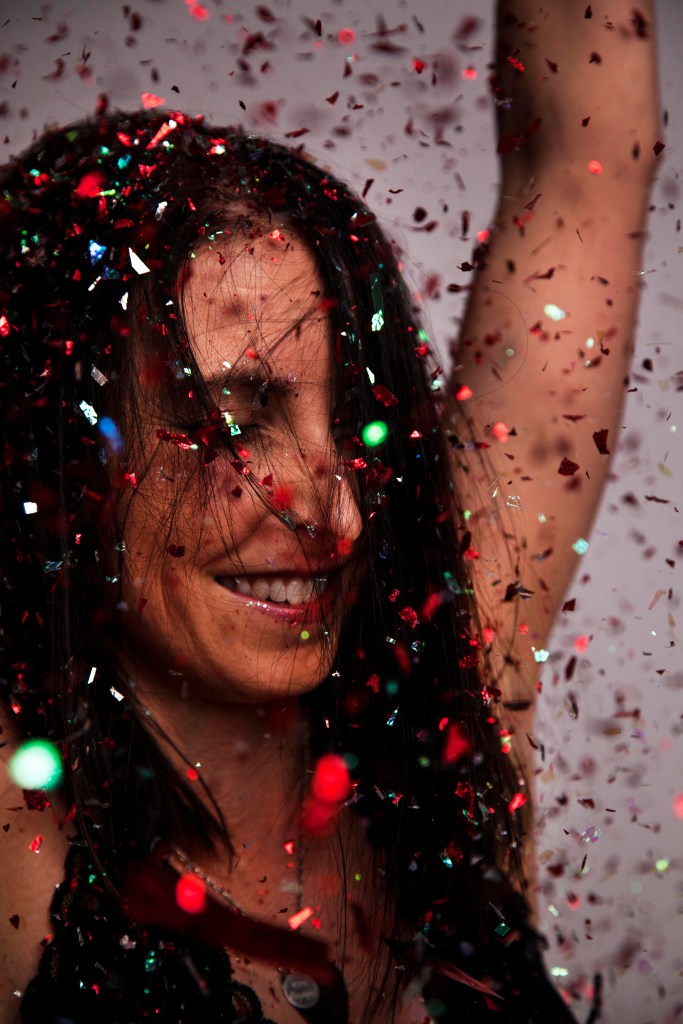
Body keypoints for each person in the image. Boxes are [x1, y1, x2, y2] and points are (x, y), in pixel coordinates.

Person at [0, 2, 659, 1021]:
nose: (338, 516)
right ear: (59, 445)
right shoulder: (22, 846)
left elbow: (583, 167)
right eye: (237, 418)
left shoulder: (441, 714)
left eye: (354, 414)